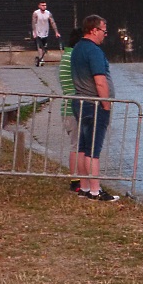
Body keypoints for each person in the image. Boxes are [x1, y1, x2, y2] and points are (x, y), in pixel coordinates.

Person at [70, 15, 119, 201]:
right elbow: (100, 81)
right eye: (103, 31)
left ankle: (84, 187)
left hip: (80, 103)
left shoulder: (77, 49)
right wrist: (106, 104)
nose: (105, 35)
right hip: (94, 104)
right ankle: (95, 190)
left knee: (83, 147)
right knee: (93, 150)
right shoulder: (94, 51)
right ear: (94, 30)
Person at [59, 27, 84, 192]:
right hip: (74, 108)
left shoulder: (67, 56)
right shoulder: (74, 57)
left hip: (69, 107)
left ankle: (79, 179)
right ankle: (76, 181)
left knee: (77, 144)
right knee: (77, 145)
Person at [31, 1, 60, 65]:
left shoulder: (48, 13)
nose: (44, 7)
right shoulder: (36, 13)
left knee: (44, 47)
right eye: (42, 5)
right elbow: (33, 23)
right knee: (39, 46)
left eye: (45, 5)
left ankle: (40, 58)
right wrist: (34, 32)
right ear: (39, 6)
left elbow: (52, 22)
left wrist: (56, 32)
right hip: (38, 32)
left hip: (45, 32)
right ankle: (41, 59)